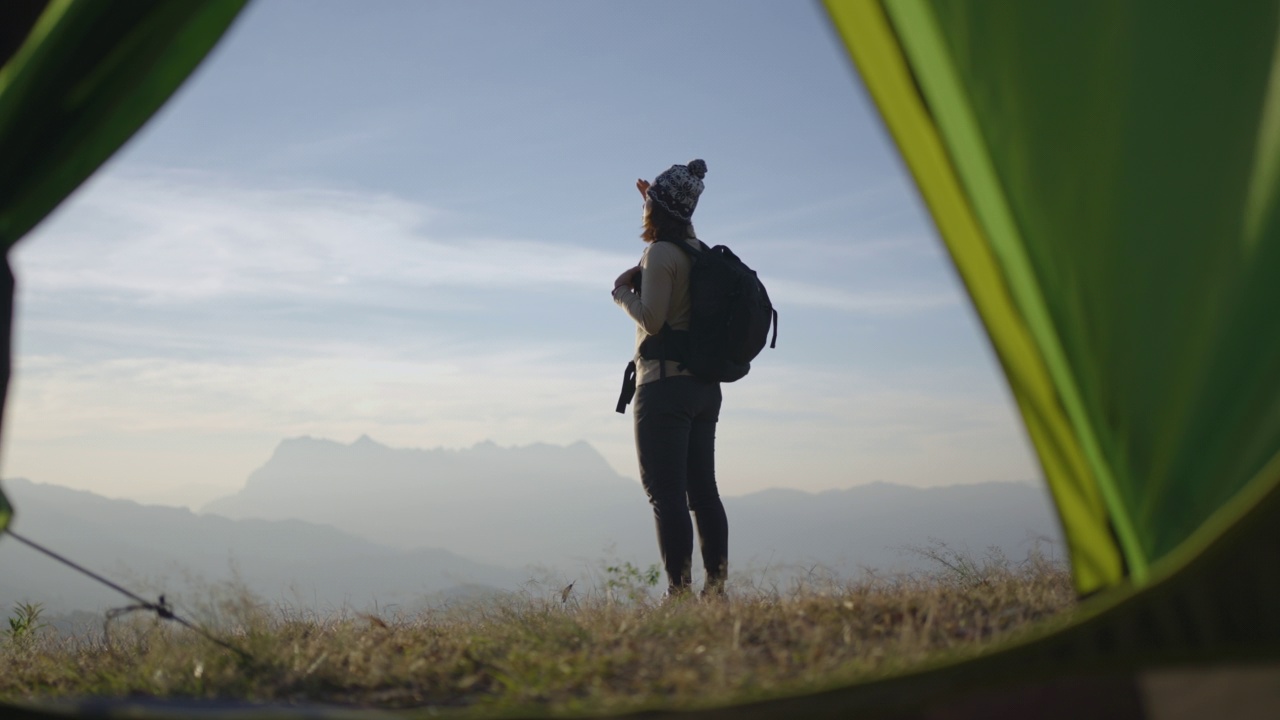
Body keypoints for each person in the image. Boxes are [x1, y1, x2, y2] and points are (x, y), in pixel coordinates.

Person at [611, 158, 728, 600]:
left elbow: (653, 321)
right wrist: (653, 198)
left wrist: (621, 292)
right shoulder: (695, 252)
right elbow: (680, 227)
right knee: (703, 494)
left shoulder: (660, 254)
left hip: (663, 389)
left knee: (666, 496)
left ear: (658, 210)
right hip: (703, 389)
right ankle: (716, 592)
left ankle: (679, 596)